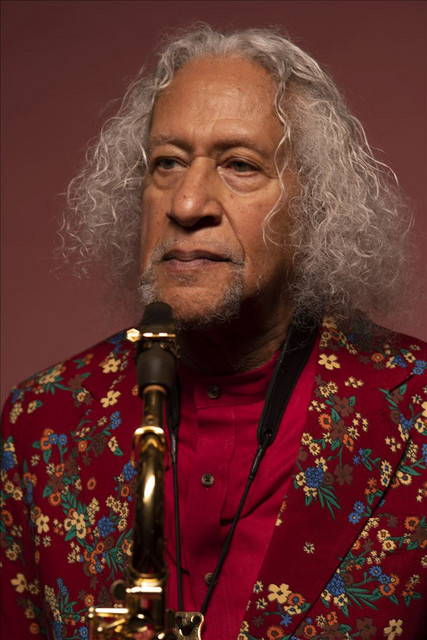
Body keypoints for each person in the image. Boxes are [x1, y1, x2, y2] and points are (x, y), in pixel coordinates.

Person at [1, 25, 426, 640]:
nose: (186, 203)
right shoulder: (41, 421)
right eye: (167, 163)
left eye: (240, 165)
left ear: (316, 207)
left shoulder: (417, 409)